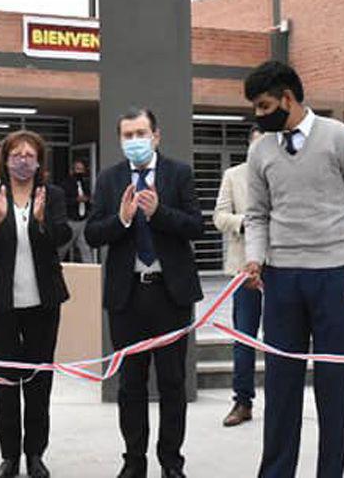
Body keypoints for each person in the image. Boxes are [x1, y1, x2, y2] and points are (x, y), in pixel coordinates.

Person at [239, 61, 344, 478]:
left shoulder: (340, 137)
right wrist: (255, 257)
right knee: (281, 385)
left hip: (336, 276)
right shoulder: (260, 150)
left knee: (333, 386)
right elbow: (256, 214)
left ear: (288, 98)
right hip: (281, 278)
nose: (259, 115)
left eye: (264, 106)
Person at [86, 108, 204, 478]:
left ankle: (171, 462)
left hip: (170, 296)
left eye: (141, 133)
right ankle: (134, 461)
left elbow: (196, 226)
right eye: (128, 135)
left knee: (172, 383)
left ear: (156, 136)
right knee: (130, 384)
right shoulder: (109, 179)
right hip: (127, 297)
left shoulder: (179, 173)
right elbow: (92, 233)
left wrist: (158, 213)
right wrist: (122, 219)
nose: (134, 141)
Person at [0, 130, 72, 478]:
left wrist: (42, 220)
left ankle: (35, 454)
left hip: (43, 301)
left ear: (39, 161)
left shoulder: (52, 195)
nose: (23, 161)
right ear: (5, 159)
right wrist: (0, 219)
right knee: (4, 380)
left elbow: (62, 237)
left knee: (38, 380)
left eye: (30, 155)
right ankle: (9, 456)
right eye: (17, 155)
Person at [212, 126, 267, 428]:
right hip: (244, 269)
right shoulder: (233, 175)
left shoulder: (287, 173)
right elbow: (219, 217)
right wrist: (247, 222)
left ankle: (282, 400)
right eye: (257, 143)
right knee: (244, 336)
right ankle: (242, 401)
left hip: (281, 266)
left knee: (282, 337)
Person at [62, 158, 95, 263]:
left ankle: (90, 270)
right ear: (72, 170)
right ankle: (54, 267)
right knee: (63, 247)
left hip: (83, 220)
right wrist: (76, 200)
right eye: (77, 169)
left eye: (81, 169)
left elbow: (88, 199)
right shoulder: (66, 184)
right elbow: (63, 201)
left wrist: (88, 201)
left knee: (85, 248)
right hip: (71, 221)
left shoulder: (84, 184)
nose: (79, 172)